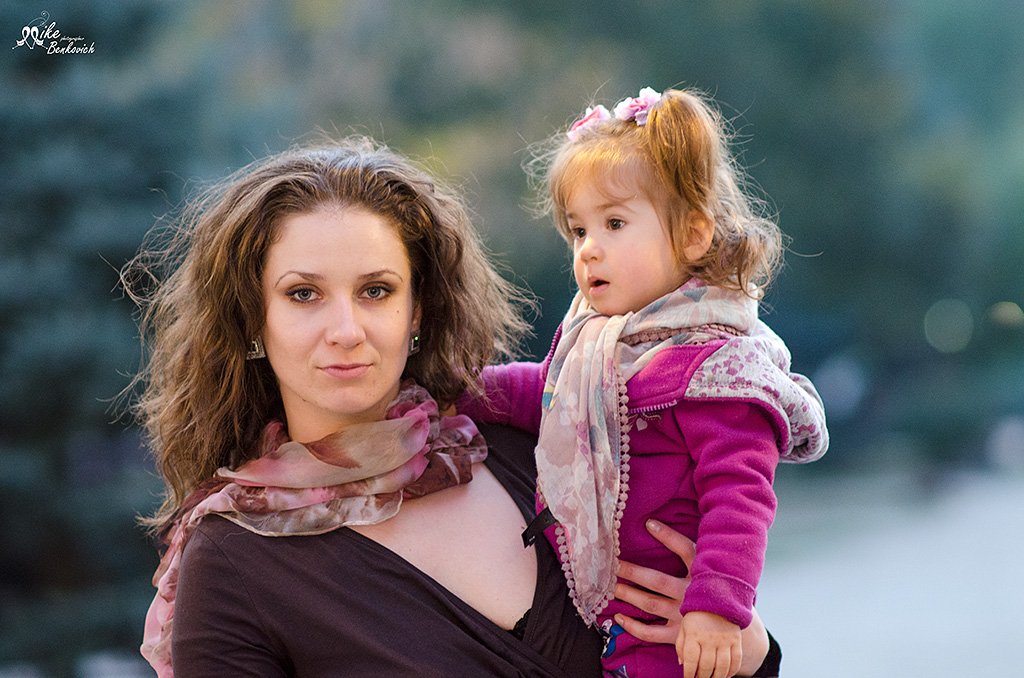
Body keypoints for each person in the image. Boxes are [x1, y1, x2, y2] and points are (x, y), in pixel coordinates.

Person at [127, 136, 779, 677]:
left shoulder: (542, 451)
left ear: (418, 311)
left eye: (377, 291)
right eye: (303, 295)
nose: (346, 330)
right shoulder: (233, 560)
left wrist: (750, 654)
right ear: (252, 319)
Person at [456, 87, 829, 678]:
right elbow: (546, 394)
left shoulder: (716, 369)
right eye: (578, 231)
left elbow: (740, 498)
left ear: (693, 236)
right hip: (615, 616)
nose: (589, 250)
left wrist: (716, 610)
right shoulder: (599, 346)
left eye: (614, 223)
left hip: (674, 618)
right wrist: (458, 389)